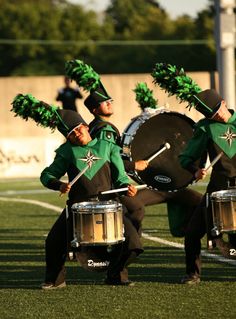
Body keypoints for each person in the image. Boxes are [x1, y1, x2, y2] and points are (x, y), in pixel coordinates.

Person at [40, 109, 143, 289]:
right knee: (53, 242)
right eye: (71, 134)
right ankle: (55, 280)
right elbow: (46, 174)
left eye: (78, 129)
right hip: (77, 207)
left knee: (133, 245)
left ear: (86, 127)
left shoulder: (108, 146)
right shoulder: (67, 151)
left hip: (109, 206)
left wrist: (127, 188)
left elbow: (120, 177)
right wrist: (59, 184)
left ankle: (116, 274)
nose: (76, 135)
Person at [83, 85, 203, 239]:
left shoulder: (97, 127)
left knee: (194, 199)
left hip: (114, 185)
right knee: (136, 208)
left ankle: (184, 232)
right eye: (103, 102)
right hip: (112, 186)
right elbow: (105, 162)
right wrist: (134, 165)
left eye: (109, 100)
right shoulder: (104, 131)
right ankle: (130, 243)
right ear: (94, 110)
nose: (109, 103)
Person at [179, 89, 236, 284]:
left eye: (218, 110)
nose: (217, 116)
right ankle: (192, 273)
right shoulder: (206, 128)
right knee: (193, 232)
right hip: (218, 188)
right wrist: (196, 170)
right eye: (212, 115)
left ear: (224, 102)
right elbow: (186, 158)